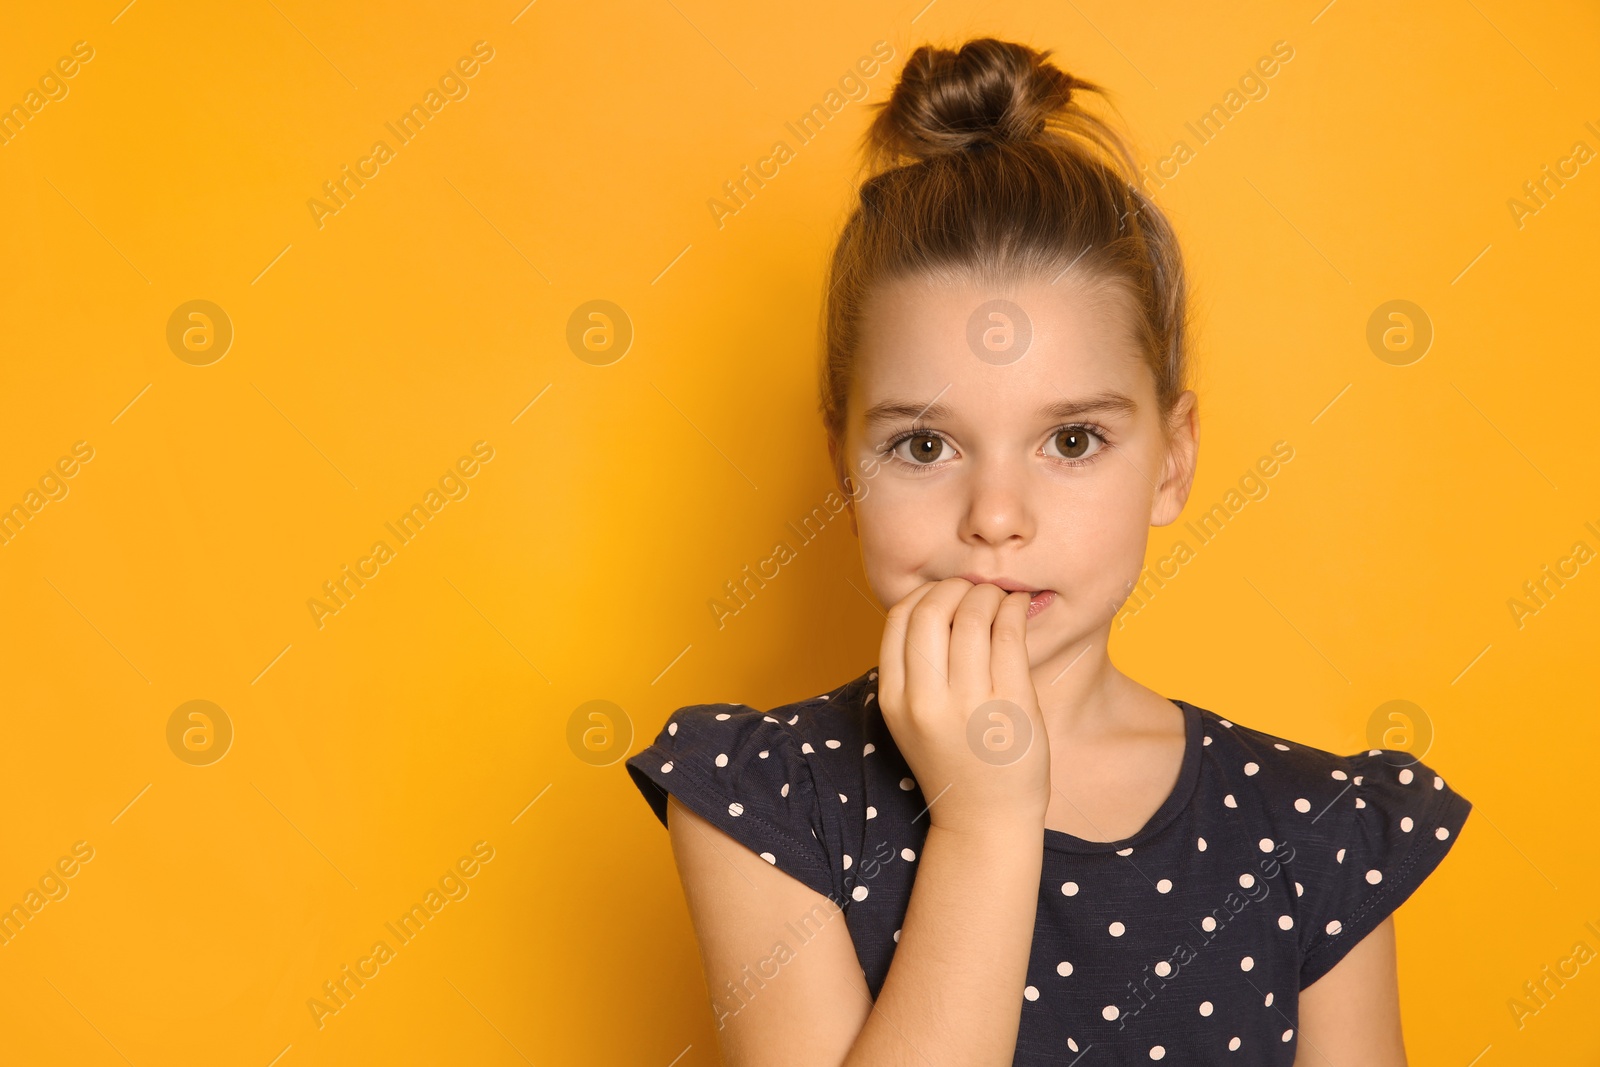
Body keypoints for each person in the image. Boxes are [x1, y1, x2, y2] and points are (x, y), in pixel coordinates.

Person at [625, 36, 1472, 1066]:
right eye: (924, 444)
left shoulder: (1315, 827)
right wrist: (984, 823)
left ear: (1171, 460)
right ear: (845, 471)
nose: (995, 514)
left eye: (1071, 441)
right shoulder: (766, 800)